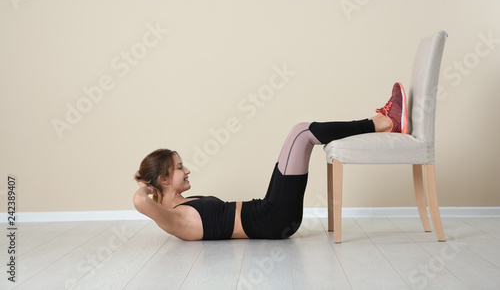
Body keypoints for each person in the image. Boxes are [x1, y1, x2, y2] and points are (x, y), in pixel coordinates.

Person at [133, 82, 408, 240]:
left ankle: (384, 121)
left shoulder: (180, 206)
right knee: (302, 132)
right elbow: (139, 201)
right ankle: (384, 122)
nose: (188, 169)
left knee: (299, 133)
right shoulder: (174, 219)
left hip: (269, 210)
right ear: (163, 179)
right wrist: (147, 187)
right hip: (274, 218)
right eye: (180, 168)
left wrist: (154, 188)